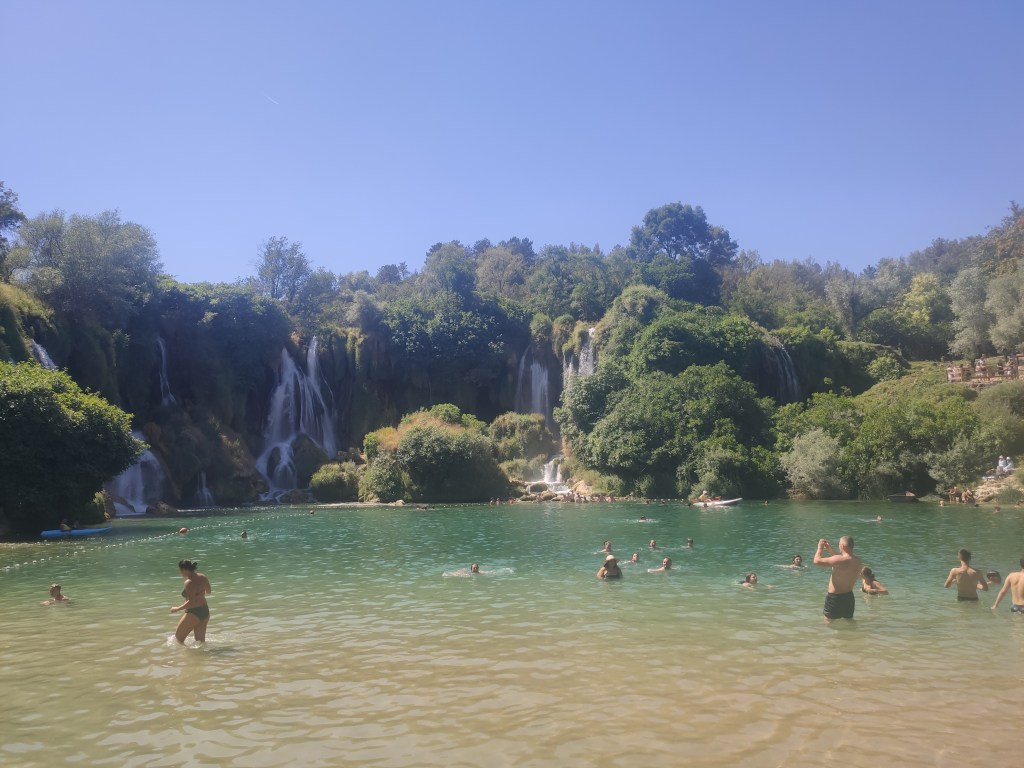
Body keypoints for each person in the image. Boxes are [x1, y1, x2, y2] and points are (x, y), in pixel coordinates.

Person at [813, 536, 863, 620]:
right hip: (849, 598)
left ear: (842, 545)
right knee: (849, 621)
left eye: (839, 544)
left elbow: (816, 561)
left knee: (828, 622)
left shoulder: (840, 560)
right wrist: (830, 550)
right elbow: (839, 562)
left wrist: (820, 548)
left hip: (835, 598)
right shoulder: (858, 561)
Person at [170, 559, 212, 644]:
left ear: (184, 569)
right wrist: (199, 594)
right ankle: (201, 653)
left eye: (180, 570)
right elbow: (209, 591)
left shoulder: (189, 582)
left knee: (177, 640)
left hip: (193, 613)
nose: (180, 573)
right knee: (200, 643)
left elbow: (191, 602)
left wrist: (177, 608)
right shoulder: (203, 577)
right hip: (205, 611)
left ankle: (184, 653)